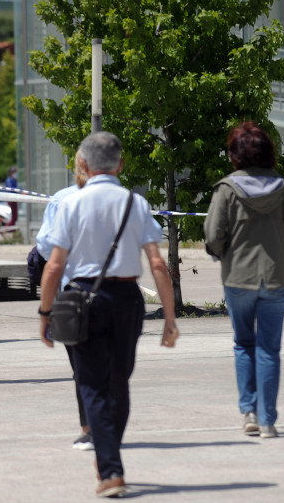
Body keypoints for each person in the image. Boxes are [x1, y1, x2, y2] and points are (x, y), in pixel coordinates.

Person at [38, 132, 179, 498]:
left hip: (82, 297)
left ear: (83, 165)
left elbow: (53, 268)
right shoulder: (137, 203)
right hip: (126, 298)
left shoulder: (70, 204)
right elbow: (158, 264)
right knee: (118, 382)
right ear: (120, 164)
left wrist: (45, 312)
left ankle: (110, 470)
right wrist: (169, 318)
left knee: (92, 384)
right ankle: (110, 463)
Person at [203, 121, 284, 439]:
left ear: (234, 154)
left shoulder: (226, 190)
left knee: (243, 344)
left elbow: (212, 234)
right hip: (277, 278)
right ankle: (268, 421)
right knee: (269, 348)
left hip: (238, 278)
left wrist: (221, 253)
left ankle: (248, 412)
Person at [34, 150, 93, 451]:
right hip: (119, 292)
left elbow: (48, 252)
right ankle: (106, 426)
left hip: (75, 294)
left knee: (82, 367)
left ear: (79, 167)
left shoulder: (62, 200)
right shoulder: (127, 199)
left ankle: (90, 428)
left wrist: (45, 312)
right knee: (112, 367)